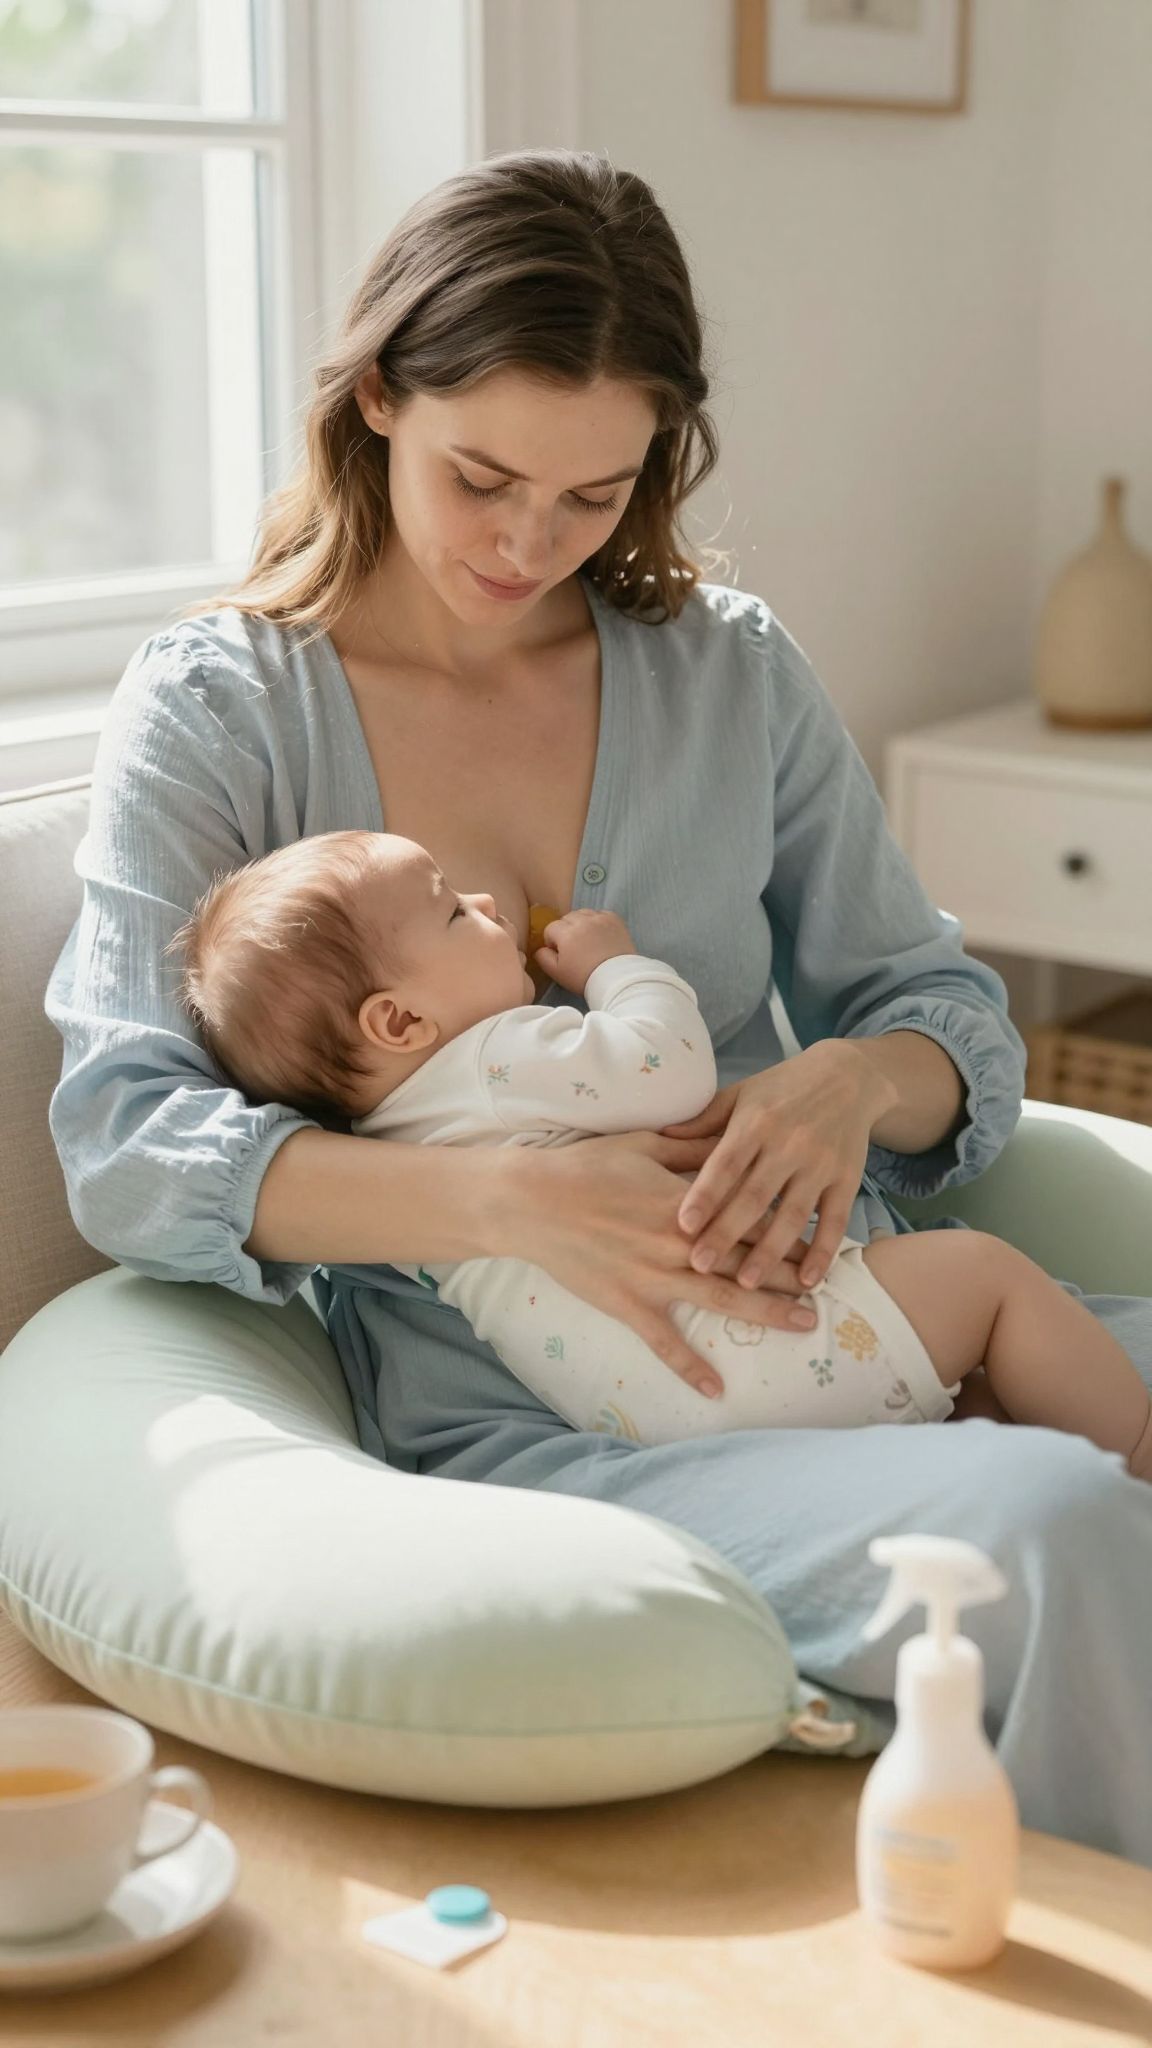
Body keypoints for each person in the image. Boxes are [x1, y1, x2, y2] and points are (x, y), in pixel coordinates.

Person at [46, 149, 1152, 1867]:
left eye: (590, 494)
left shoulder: (726, 670)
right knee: (1053, 1513)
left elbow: (943, 1009)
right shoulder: (224, 707)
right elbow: (125, 1143)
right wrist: (496, 1196)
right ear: (375, 404)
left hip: (861, 1313)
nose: (524, 542)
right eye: (479, 475)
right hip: (566, 1422)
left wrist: (851, 1080)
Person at [171, 826, 1152, 1469]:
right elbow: (668, 1067)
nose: (483, 901)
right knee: (986, 1276)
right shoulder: (502, 1058)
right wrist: (615, 965)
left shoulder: (388, 1162)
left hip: (658, 1414)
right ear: (396, 1019)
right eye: (449, 909)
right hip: (774, 1341)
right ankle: (1140, 1460)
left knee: (977, 1396)